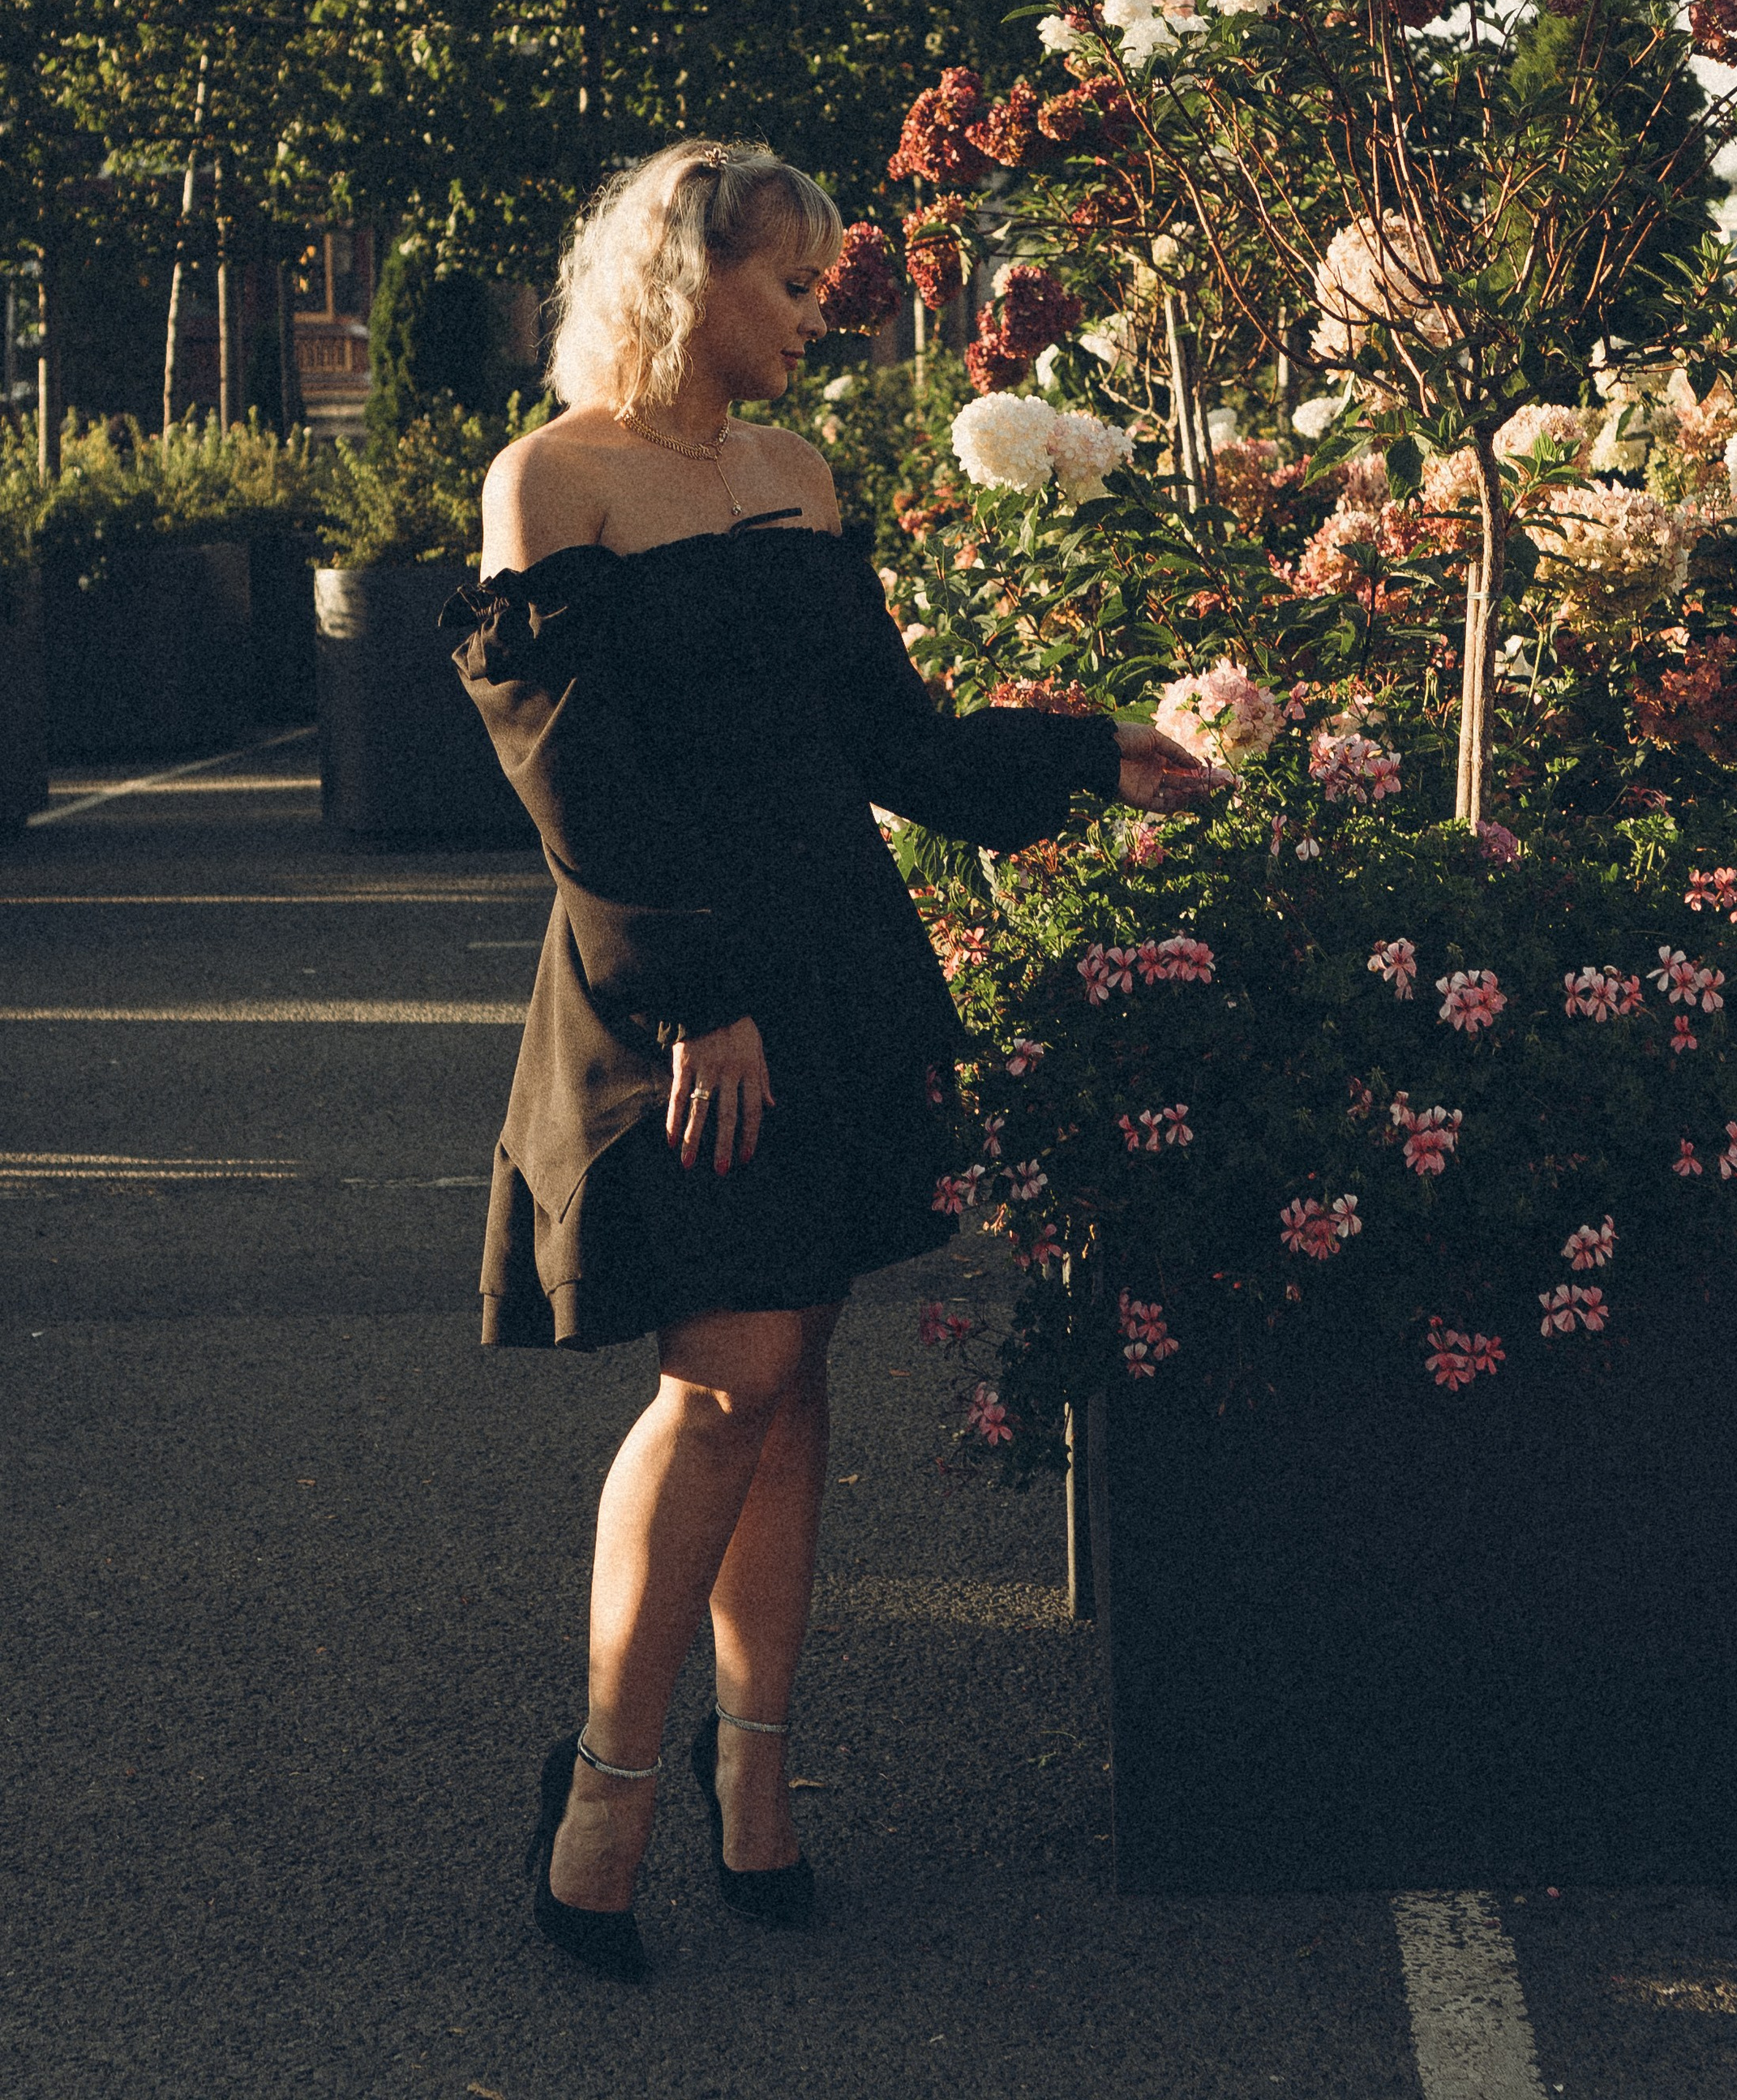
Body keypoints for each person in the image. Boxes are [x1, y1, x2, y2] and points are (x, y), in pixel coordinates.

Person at [446, 139, 1212, 1982]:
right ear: (681, 281)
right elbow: (572, 781)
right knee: (723, 1377)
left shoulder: (796, 474)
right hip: (676, 995)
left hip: (837, 975)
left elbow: (886, 735)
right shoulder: (550, 479)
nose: (816, 313)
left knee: (790, 1380)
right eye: (788, 283)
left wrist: (1087, 752)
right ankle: (607, 1796)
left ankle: (756, 1786)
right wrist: (694, 1000)